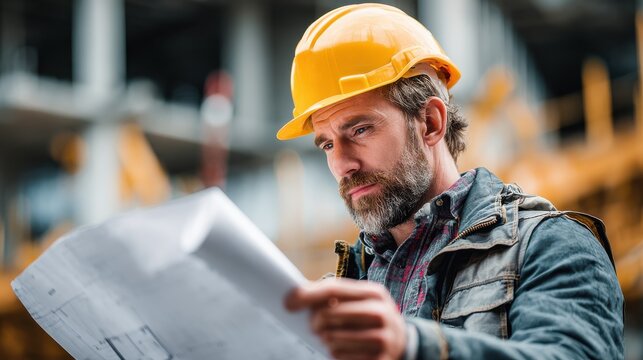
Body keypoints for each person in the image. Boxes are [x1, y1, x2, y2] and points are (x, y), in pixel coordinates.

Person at [279, 3, 623, 360]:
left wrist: (413, 346)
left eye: (361, 129)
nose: (341, 164)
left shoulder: (551, 246)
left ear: (429, 122)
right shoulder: (346, 286)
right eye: (328, 143)